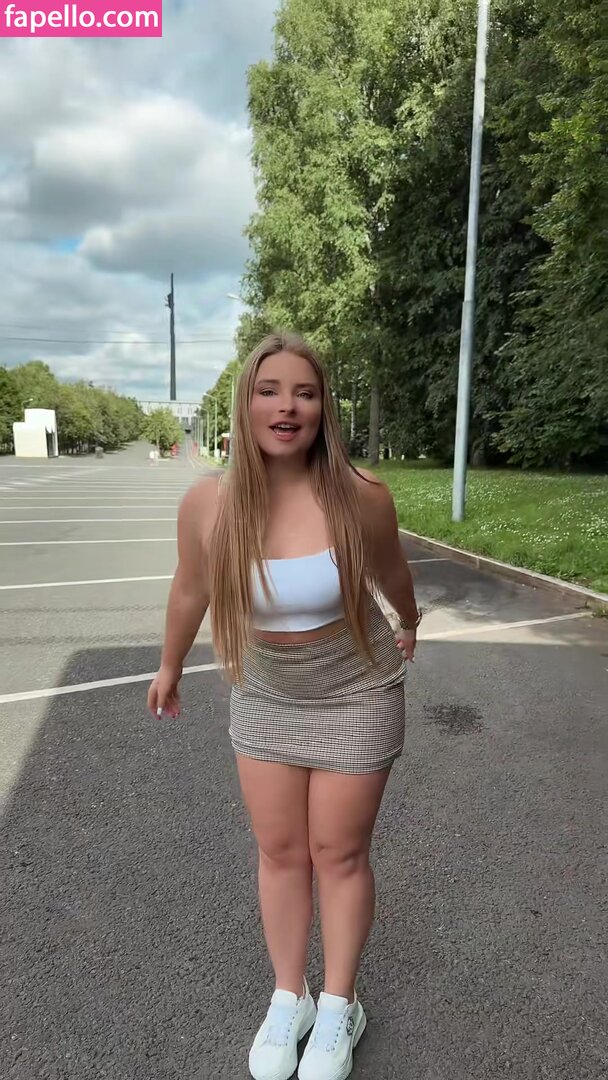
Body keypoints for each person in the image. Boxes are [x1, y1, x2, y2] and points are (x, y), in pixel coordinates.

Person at [147, 332, 421, 1080]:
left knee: (339, 852)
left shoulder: (360, 496)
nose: (287, 406)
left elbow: (394, 572)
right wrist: (169, 665)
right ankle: (288, 997)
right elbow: (191, 588)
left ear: (324, 406)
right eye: (270, 390)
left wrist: (410, 620)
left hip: (355, 689)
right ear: (246, 403)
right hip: (266, 691)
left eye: (305, 391)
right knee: (279, 851)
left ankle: (338, 1006)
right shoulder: (209, 504)